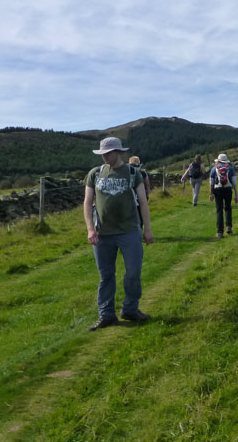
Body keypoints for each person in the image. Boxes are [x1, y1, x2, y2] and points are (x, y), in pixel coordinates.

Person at [83, 137, 154, 331]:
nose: (105, 157)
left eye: (108, 153)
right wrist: (90, 229)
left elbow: (143, 201)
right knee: (106, 276)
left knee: (133, 273)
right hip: (102, 234)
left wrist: (147, 229)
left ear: (118, 152)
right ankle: (106, 315)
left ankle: (130, 309)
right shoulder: (95, 174)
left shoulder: (132, 173)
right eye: (102, 154)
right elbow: (87, 202)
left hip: (129, 231)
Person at [209, 153, 238, 238]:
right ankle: (229, 227)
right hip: (228, 189)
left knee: (219, 210)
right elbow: (234, 183)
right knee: (228, 208)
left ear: (218, 160)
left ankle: (220, 232)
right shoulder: (231, 169)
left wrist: (211, 194)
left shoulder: (214, 169)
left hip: (217, 190)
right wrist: (236, 195)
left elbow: (211, 183)